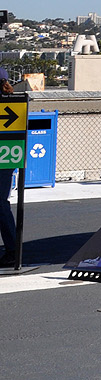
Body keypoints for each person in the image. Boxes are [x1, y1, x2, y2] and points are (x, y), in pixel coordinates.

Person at [0, 68, 16, 265]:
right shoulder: (12, 103)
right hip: (8, 159)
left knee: (1, 204)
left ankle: (12, 250)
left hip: (4, 159)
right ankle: (12, 249)